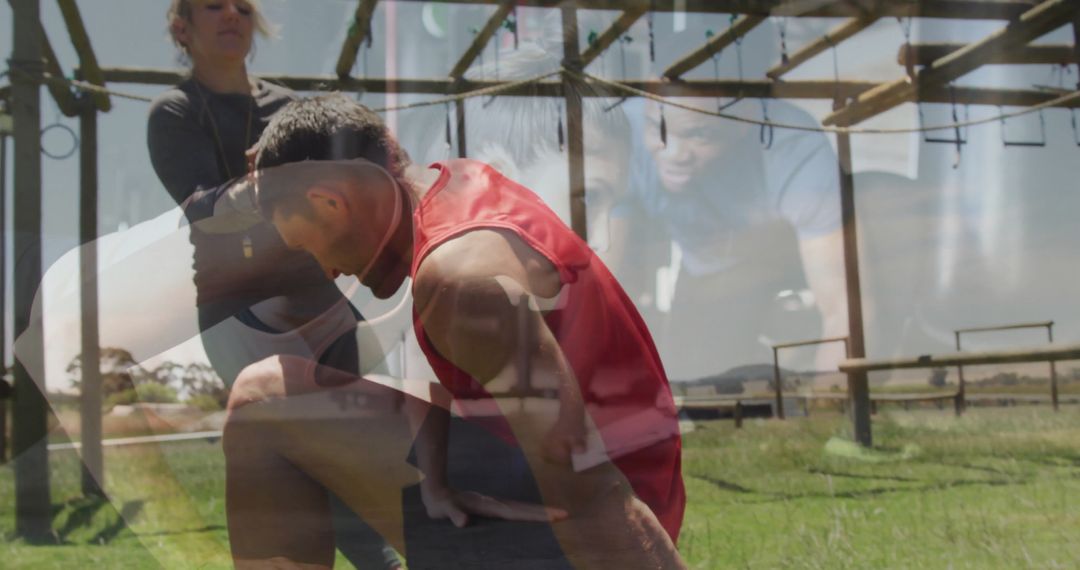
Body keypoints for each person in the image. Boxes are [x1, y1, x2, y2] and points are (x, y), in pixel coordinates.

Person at [220, 92, 686, 568]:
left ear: (330, 201)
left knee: (264, 401)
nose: (327, 271)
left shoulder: (458, 281)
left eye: (306, 245)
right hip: (579, 488)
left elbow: (595, 493)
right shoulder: (458, 185)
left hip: (592, 527)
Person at [146, 1, 400, 567]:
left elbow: (348, 187)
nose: (231, 14)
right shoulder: (174, 111)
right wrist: (278, 182)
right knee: (304, 455)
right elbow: (206, 212)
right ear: (181, 28)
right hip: (239, 315)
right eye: (213, 5)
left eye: (240, 4)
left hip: (323, 299)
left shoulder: (288, 106)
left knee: (380, 445)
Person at [620, 96, 847, 381]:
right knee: (687, 371)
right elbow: (603, 276)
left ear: (745, 115)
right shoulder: (621, 130)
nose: (673, 153)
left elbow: (843, 309)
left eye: (700, 134)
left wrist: (830, 407)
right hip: (701, 261)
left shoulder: (792, 145)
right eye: (657, 127)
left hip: (777, 252)